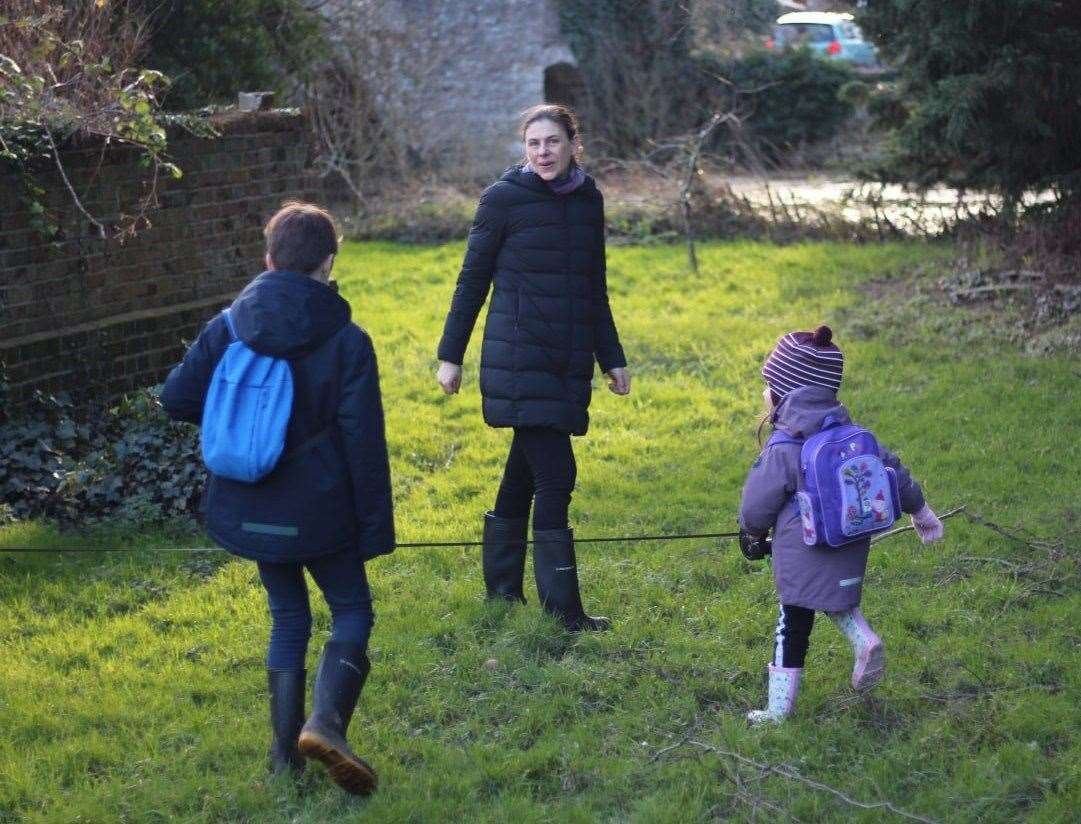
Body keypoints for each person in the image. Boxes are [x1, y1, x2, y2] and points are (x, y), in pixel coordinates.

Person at [160, 202, 394, 794]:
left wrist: (243, 419)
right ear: (329, 263)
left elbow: (177, 398)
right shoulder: (347, 340)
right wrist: (374, 529)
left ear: (268, 259)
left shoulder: (229, 325)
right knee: (352, 610)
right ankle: (326, 725)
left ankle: (283, 760)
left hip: (250, 505)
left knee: (287, 615)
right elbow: (364, 443)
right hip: (322, 510)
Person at [435, 104, 630, 632]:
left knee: (523, 471)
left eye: (553, 142)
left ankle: (501, 590)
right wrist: (450, 356)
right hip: (518, 356)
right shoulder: (502, 200)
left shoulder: (589, 200)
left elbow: (594, 286)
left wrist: (610, 358)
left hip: (566, 359)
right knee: (556, 474)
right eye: (534, 144)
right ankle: (563, 612)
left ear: (573, 144)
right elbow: (471, 280)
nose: (543, 153)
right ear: (525, 149)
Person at [739, 325, 944, 724]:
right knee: (836, 600)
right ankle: (864, 639)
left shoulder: (784, 446)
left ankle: (778, 712)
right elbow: (894, 471)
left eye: (770, 384)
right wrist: (921, 511)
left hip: (803, 552)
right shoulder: (853, 436)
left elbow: (755, 507)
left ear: (787, 391)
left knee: (791, 625)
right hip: (850, 542)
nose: (765, 391)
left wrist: (750, 533)